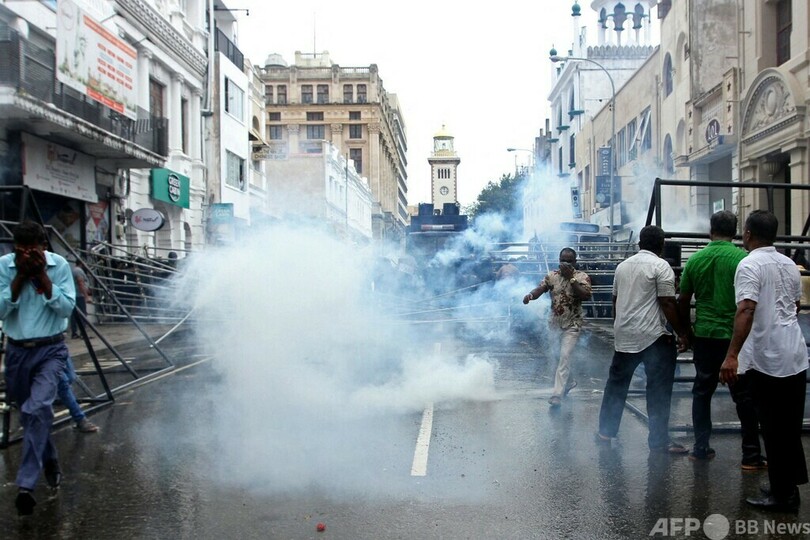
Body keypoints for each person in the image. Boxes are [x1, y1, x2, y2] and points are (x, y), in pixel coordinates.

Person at [720, 210, 808, 512]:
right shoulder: (788, 264)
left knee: (773, 427)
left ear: (747, 234)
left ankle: (782, 496)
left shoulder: (749, 264)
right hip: (794, 354)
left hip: (768, 358)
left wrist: (732, 355)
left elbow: (746, 309)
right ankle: (788, 487)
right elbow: (795, 306)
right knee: (789, 426)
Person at [677, 210, 766, 467]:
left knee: (702, 392)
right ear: (736, 232)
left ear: (710, 231)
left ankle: (701, 447)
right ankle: (751, 454)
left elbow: (683, 300)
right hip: (736, 338)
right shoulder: (743, 259)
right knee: (744, 395)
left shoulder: (695, 260)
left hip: (705, 334)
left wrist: (686, 331)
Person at [0, 221, 76, 515]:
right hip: (18, 352)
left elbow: (66, 308)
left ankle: (26, 485)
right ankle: (51, 459)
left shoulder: (59, 267)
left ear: (44, 246)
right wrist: (19, 277)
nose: (29, 256)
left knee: (36, 409)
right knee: (32, 415)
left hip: (51, 350)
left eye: (35, 250)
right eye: (23, 251)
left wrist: (43, 277)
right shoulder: (5, 267)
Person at [597, 225, 690, 453]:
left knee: (616, 386)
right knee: (658, 390)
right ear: (661, 245)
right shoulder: (661, 266)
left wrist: (619, 326)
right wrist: (683, 333)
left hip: (625, 335)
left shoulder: (622, 267)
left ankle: (605, 432)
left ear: (640, 243)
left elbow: (615, 300)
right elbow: (668, 302)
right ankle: (658, 441)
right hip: (653, 337)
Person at [523, 247, 592, 407]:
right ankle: (569, 382)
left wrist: (571, 279)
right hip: (554, 323)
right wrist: (531, 296)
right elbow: (541, 288)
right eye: (563, 260)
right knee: (556, 356)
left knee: (565, 356)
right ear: (559, 260)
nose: (566, 263)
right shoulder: (552, 276)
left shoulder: (582, 277)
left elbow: (586, 295)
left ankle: (557, 394)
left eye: (569, 260)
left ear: (575, 262)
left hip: (573, 324)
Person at [56, 355, 99, 433]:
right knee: (63, 382)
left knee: (70, 376)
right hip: (42, 351)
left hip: (58, 347)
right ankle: (80, 419)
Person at [70, 258, 91, 339]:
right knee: (83, 314)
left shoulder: (74, 270)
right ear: (81, 263)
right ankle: (83, 333)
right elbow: (80, 283)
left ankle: (74, 333)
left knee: (75, 315)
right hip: (79, 295)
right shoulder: (78, 271)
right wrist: (86, 296)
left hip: (75, 295)